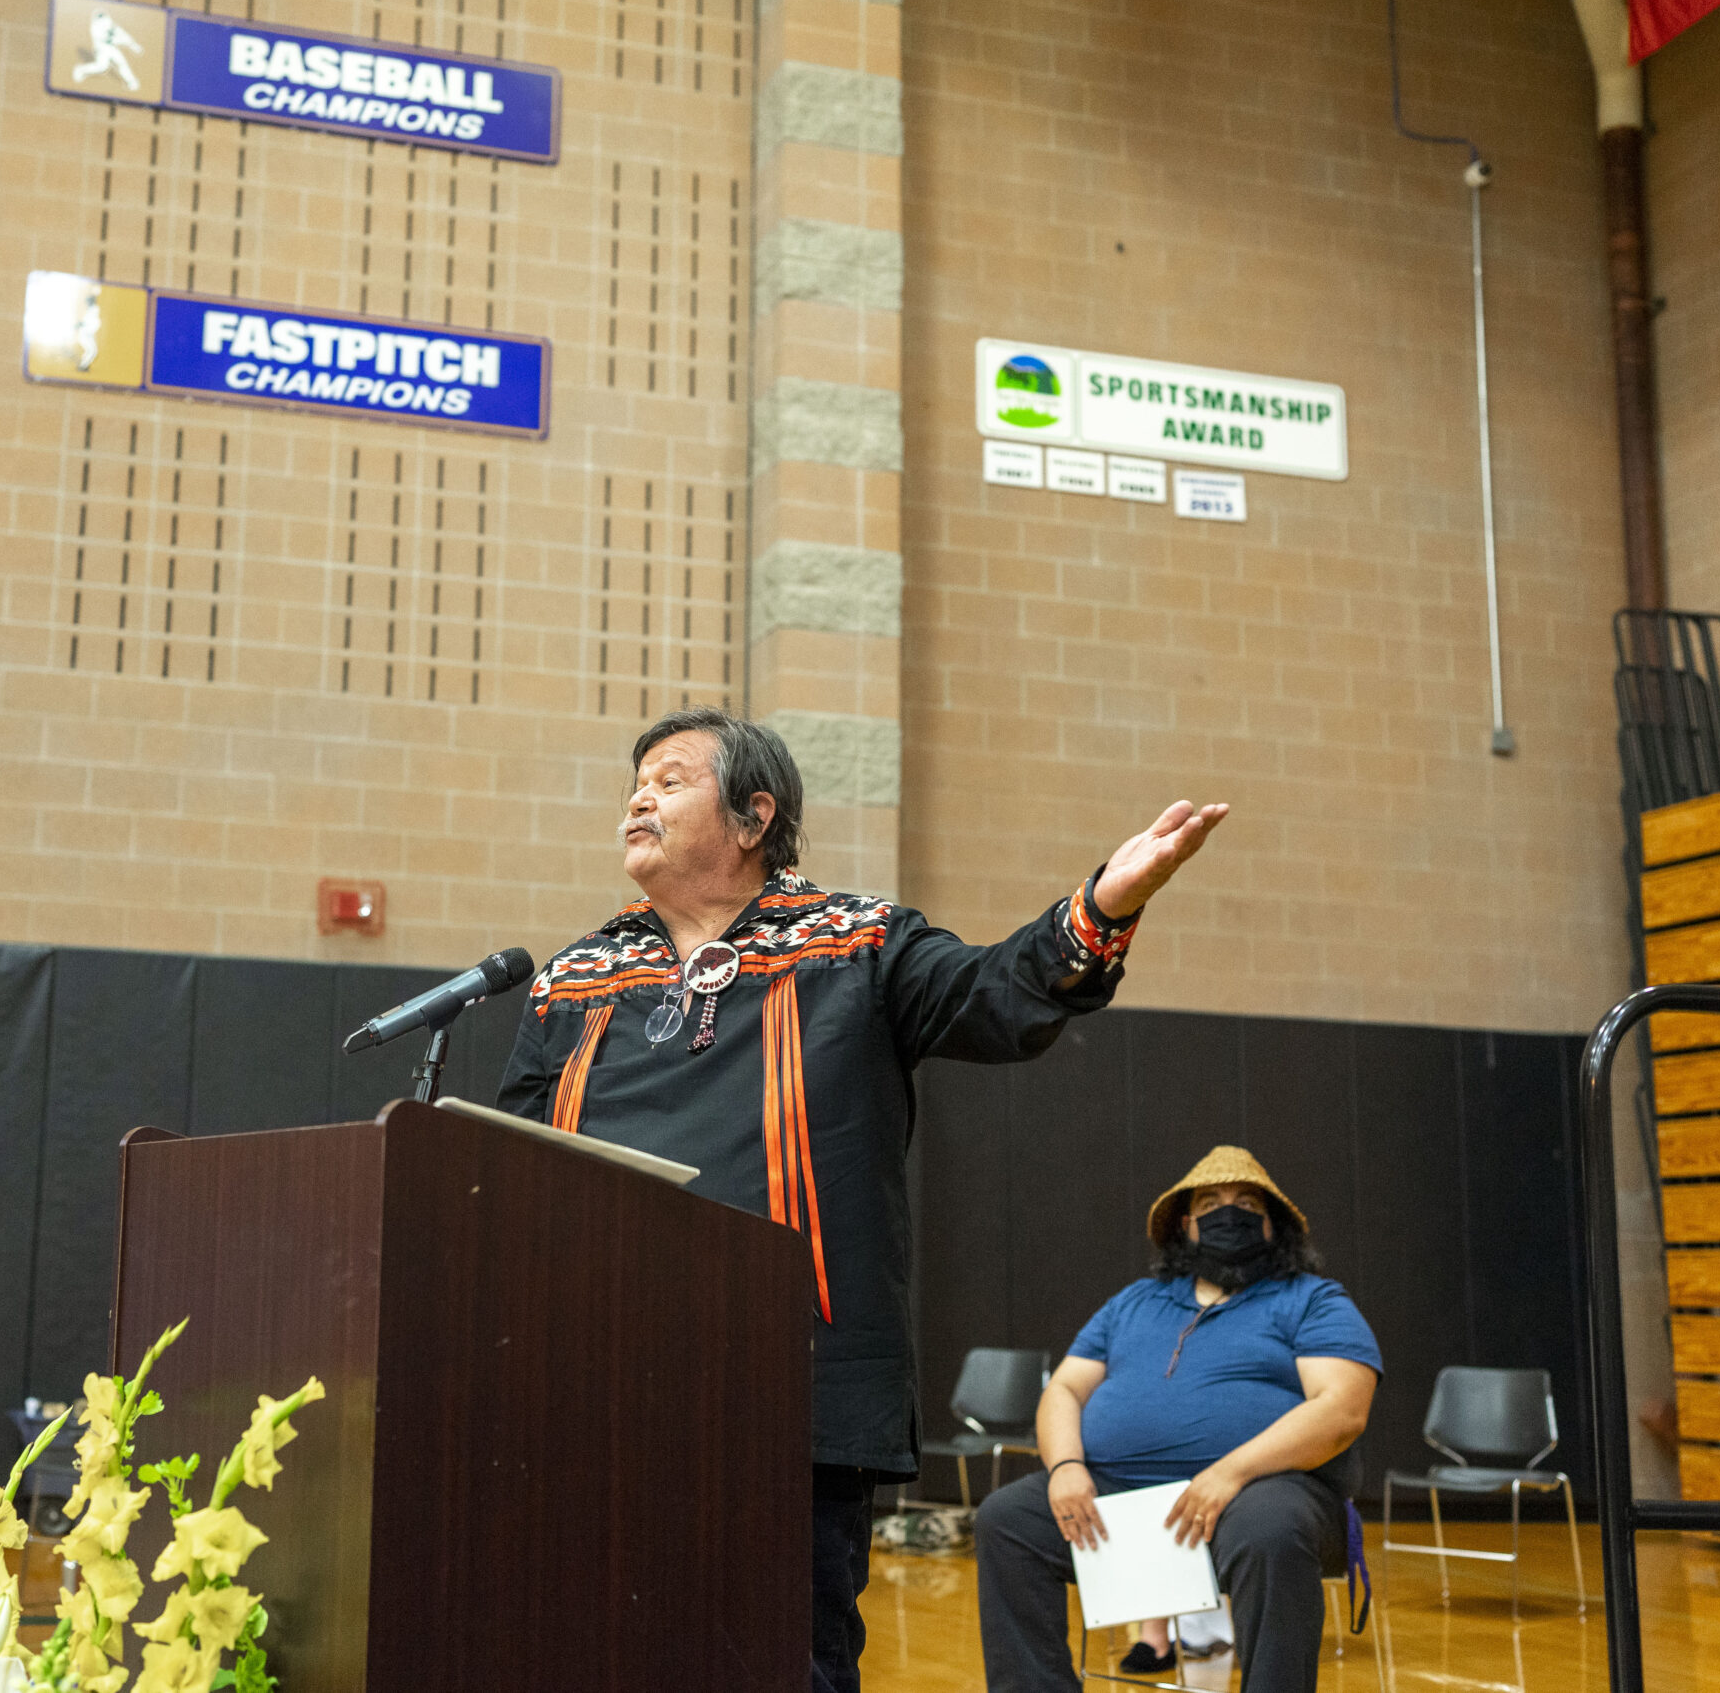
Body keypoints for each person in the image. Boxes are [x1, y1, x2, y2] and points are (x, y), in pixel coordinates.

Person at [497, 708, 1227, 1693]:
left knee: (784, 1656)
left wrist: (1100, 906)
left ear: (754, 816)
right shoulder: (574, 978)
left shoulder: (858, 944)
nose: (638, 796)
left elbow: (995, 996)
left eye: (669, 779)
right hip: (599, 1375)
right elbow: (509, 1157)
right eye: (637, 781)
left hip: (794, 1378)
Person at [973, 1148, 1381, 1693]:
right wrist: (1067, 1464)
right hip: (1121, 1499)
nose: (1226, 1214)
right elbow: (1066, 1387)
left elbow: (1342, 1409)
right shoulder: (1132, 1303)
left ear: (1271, 1223)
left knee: (1270, 1528)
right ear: (1185, 1226)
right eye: (1210, 1203)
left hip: (1260, 1493)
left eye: (1245, 1203)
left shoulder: (1312, 1300)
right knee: (1007, 1519)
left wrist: (1229, 1473)